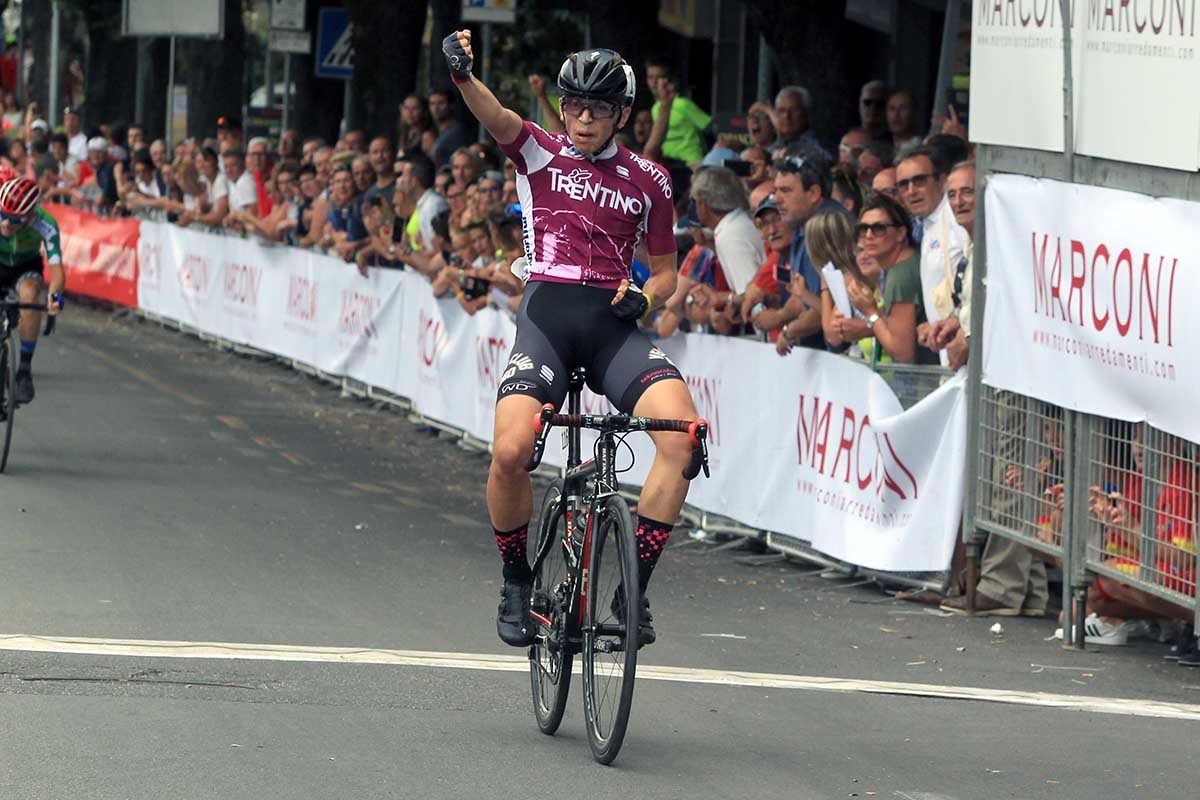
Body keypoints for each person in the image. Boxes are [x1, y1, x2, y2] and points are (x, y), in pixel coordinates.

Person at [443, 31, 696, 648]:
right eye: (574, 106)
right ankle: (515, 580)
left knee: (686, 437)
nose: (583, 118)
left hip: (613, 330)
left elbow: (667, 273)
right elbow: (497, 115)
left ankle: (630, 590)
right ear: (561, 107)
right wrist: (461, 75)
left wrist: (648, 296)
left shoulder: (650, 180)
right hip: (549, 324)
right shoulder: (537, 153)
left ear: (622, 115)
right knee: (509, 453)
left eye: (599, 109)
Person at [849, 194, 937, 365]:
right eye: (863, 228)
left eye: (879, 228)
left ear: (901, 233)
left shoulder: (900, 275)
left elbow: (902, 350)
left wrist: (870, 313)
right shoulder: (906, 264)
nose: (868, 235)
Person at [0, 178, 65, 405]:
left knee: (30, 294)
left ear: (30, 216)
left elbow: (57, 271)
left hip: (25, 267)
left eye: (14, 219)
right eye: (2, 215)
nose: (6, 223)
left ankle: (24, 370)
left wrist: (55, 297)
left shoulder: (46, 224)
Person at [643, 56, 711, 166]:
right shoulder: (655, 108)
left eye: (659, 77)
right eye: (650, 77)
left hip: (691, 163)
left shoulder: (682, 104)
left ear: (669, 79)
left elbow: (710, 127)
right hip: (668, 163)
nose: (654, 82)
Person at [430, 89, 468, 167]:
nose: (436, 108)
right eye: (432, 103)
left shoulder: (457, 132)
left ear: (451, 105)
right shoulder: (433, 131)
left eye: (441, 103)